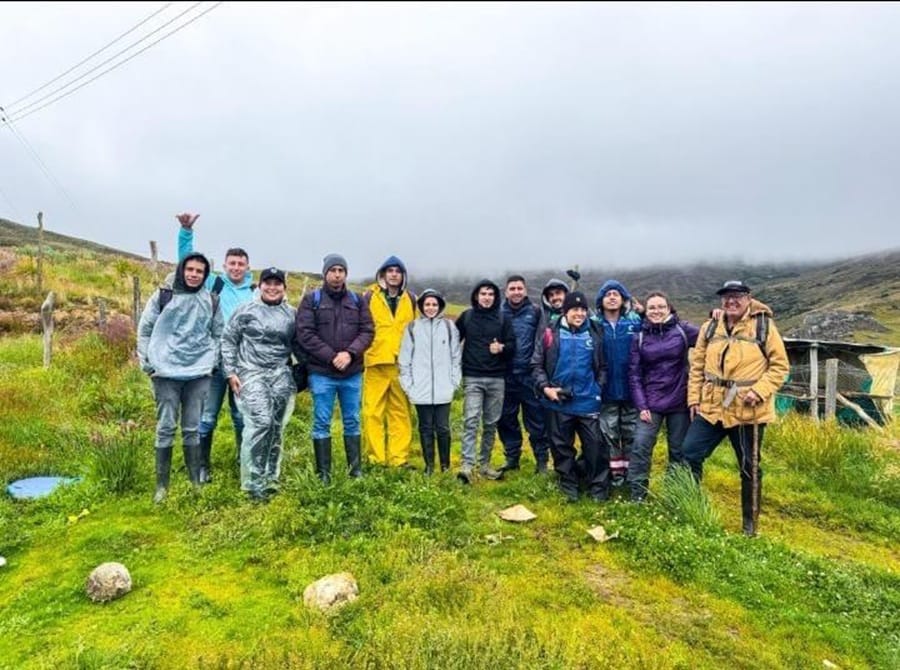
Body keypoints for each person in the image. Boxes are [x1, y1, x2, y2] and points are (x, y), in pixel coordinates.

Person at [682, 280, 789, 536]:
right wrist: (693, 399)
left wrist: (759, 390)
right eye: (726, 296)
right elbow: (697, 367)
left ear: (748, 298)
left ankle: (750, 525)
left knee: (749, 466)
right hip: (711, 406)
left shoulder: (764, 327)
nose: (731, 301)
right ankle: (690, 506)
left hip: (747, 409)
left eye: (737, 296)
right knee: (689, 454)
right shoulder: (710, 327)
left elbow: (780, 366)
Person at [137, 252, 224, 503]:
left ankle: (194, 482)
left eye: (199, 271)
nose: (194, 274)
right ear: (181, 270)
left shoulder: (211, 300)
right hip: (164, 372)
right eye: (190, 269)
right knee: (165, 427)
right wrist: (148, 363)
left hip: (198, 372)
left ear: (205, 275)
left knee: (192, 428)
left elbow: (218, 334)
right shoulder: (164, 296)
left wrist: (212, 362)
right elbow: (145, 330)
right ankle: (162, 486)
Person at [176, 213, 256, 483]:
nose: (236, 268)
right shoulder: (214, 284)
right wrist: (186, 230)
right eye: (232, 263)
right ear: (224, 265)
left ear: (247, 267)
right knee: (207, 415)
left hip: (244, 365)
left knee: (241, 415)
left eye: (241, 264)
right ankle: (201, 466)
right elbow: (187, 263)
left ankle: (242, 459)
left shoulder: (255, 291)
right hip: (213, 362)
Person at [295, 254, 374, 483]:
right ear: (325, 273)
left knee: (352, 420)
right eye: (333, 270)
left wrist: (349, 354)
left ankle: (355, 471)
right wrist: (332, 357)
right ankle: (324, 475)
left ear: (346, 274)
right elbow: (305, 334)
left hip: (352, 373)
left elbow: (367, 331)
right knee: (321, 422)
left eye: (341, 270)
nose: (337, 274)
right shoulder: (312, 300)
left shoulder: (358, 301)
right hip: (322, 374)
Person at [221, 267, 296, 502]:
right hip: (251, 373)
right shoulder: (245, 311)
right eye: (268, 283)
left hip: (280, 374)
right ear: (260, 285)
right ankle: (253, 483)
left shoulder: (291, 314)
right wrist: (230, 371)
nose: (272, 288)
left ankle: (270, 478)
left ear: (284, 287)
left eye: (277, 283)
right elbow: (229, 339)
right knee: (260, 423)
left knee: (276, 426)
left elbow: (302, 343)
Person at [531, 291, 609, 502]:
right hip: (558, 401)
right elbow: (536, 365)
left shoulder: (594, 332)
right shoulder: (550, 333)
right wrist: (546, 388)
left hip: (588, 401)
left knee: (595, 447)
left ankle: (598, 488)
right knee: (561, 447)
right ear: (566, 311)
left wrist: (597, 389)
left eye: (583, 309)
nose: (580, 313)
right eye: (575, 309)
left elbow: (602, 366)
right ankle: (569, 486)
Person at [627, 292, 700, 501]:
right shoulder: (639, 337)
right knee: (641, 446)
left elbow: (711, 336)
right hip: (650, 403)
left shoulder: (683, 330)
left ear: (669, 309)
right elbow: (634, 375)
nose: (656, 311)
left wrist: (717, 315)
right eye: (652, 308)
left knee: (678, 450)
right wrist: (641, 406)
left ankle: (676, 492)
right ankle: (637, 495)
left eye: (661, 307)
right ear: (645, 311)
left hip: (679, 401)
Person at [455, 279, 516, 483]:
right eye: (483, 293)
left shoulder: (503, 319)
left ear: (495, 297)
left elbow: (512, 345)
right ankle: (467, 465)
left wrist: (502, 349)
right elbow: (453, 341)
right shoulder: (466, 317)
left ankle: (485, 465)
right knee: (471, 420)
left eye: (490, 294)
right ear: (476, 296)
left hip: (497, 378)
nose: (487, 297)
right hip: (472, 377)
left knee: (491, 423)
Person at [398, 289, 462, 474]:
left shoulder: (449, 328)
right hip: (420, 389)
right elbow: (404, 360)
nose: (431, 308)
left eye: (434, 304)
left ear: (440, 306)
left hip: (444, 389)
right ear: (421, 306)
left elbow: (456, 357)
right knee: (425, 428)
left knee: (443, 428)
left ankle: (445, 466)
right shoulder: (412, 328)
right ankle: (429, 466)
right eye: (427, 304)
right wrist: (409, 387)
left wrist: (454, 382)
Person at [362, 256, 416, 468]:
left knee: (400, 413)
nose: (394, 274)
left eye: (398, 271)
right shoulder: (369, 296)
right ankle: (376, 459)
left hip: (401, 365)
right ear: (382, 274)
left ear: (403, 275)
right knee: (372, 412)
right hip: (375, 362)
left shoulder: (410, 299)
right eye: (390, 270)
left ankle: (398, 459)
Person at [497, 275, 550, 474]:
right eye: (512, 288)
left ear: (525, 290)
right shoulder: (499, 312)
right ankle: (512, 458)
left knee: (536, 419)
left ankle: (542, 460)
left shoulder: (536, 312)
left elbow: (541, 341)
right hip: (506, 375)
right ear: (506, 292)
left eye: (520, 288)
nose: (517, 292)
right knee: (506, 418)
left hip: (529, 376)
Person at [595, 279, 643, 489]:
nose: (612, 297)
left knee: (631, 434)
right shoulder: (594, 325)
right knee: (610, 434)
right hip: (606, 391)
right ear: (601, 301)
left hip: (632, 390)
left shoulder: (634, 322)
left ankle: (632, 475)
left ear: (624, 300)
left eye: (617, 294)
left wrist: (642, 313)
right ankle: (615, 475)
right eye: (608, 294)